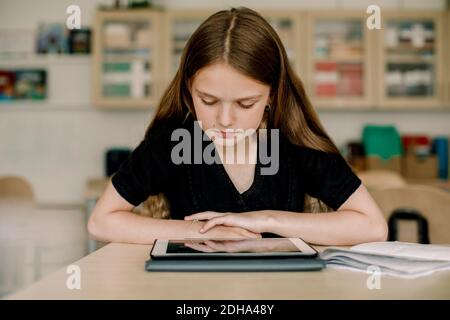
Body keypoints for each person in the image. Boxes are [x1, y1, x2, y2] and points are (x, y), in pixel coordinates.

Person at [87, 7, 387, 246]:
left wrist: (266, 220)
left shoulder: (293, 142)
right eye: (208, 100)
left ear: (272, 94)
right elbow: (101, 221)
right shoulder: (176, 140)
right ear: (188, 89)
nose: (225, 120)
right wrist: (202, 232)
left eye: (245, 104)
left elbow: (372, 226)